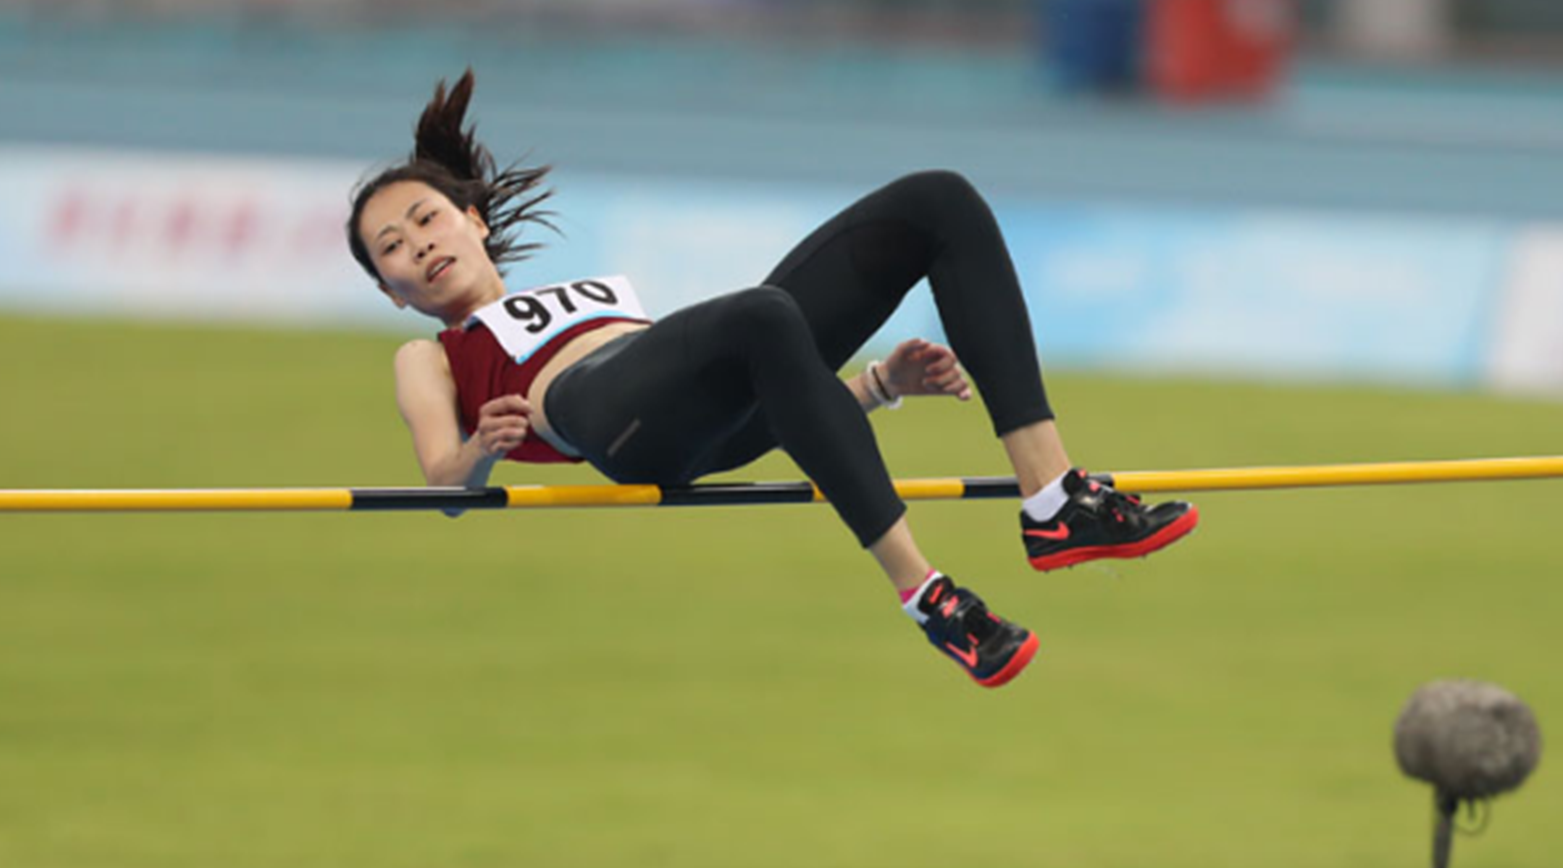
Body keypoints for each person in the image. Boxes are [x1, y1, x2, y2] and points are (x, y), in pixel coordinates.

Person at [346, 71, 1196, 689]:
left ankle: (1054, 502)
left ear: (473, 221)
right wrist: (480, 453)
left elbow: (744, 408)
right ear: (391, 291)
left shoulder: (590, 290)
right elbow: (441, 485)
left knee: (937, 202)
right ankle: (929, 596)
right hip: (591, 415)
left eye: (425, 218)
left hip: (684, 404)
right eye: (393, 247)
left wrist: (877, 386)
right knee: (758, 313)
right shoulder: (427, 357)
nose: (417, 242)